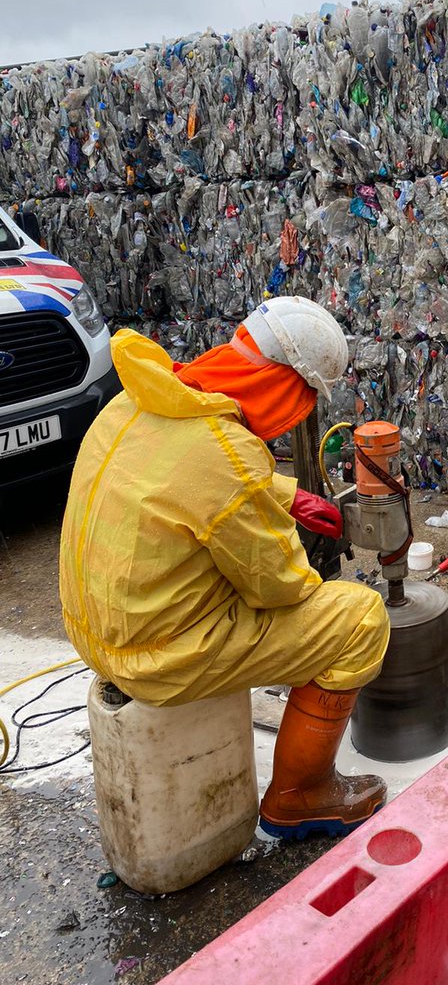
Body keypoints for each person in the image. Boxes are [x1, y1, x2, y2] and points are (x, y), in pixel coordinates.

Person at [58, 297, 389, 840]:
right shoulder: (228, 457)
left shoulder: (136, 402)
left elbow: (181, 488)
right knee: (357, 620)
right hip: (156, 656)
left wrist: (282, 495)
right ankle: (298, 797)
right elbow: (279, 587)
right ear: (287, 387)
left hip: (93, 627)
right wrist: (292, 554)